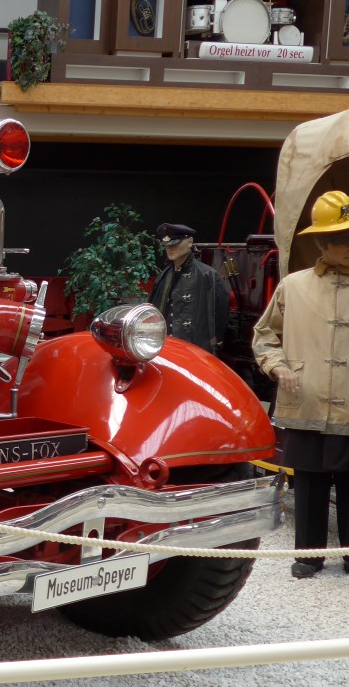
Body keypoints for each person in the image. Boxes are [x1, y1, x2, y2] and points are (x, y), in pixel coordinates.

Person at [252, 189, 349, 578]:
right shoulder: (293, 286)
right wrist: (278, 367)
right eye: (340, 239)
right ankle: (308, 555)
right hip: (304, 399)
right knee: (307, 480)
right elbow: (264, 336)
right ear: (322, 243)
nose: (347, 246)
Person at [148, 222, 231, 353]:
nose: (170, 249)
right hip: (166, 347)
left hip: (196, 348)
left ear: (190, 242)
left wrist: (214, 342)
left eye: (175, 244)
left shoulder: (208, 275)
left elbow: (220, 313)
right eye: (167, 245)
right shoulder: (164, 276)